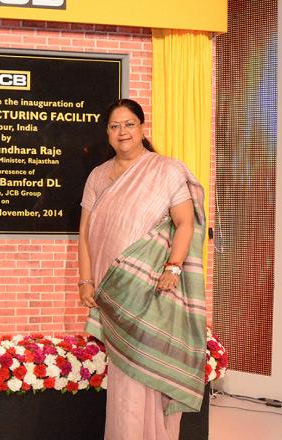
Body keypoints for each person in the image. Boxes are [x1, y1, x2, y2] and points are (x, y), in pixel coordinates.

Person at [77, 99, 207, 440]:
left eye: (129, 124)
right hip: (112, 284)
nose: (123, 132)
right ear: (107, 132)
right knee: (123, 369)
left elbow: (185, 224)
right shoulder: (98, 175)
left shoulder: (166, 169)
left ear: (142, 128)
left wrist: (173, 268)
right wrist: (86, 280)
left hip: (151, 282)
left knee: (145, 359)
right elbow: (85, 232)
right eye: (115, 126)